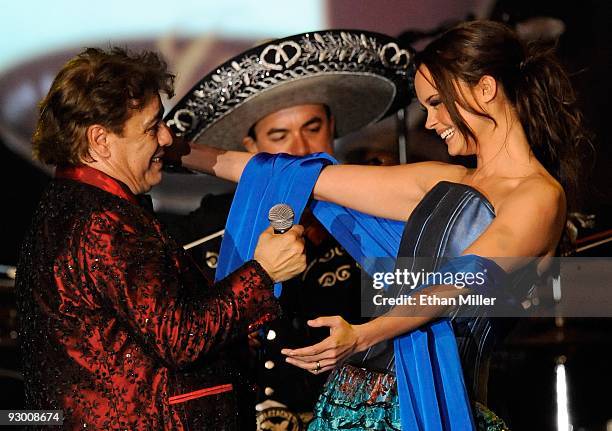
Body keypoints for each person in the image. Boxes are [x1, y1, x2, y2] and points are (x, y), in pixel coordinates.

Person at [178, 20, 590, 429]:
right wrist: (175, 149)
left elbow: (461, 284)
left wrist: (363, 334)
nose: (429, 122)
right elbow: (290, 174)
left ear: (484, 88)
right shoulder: (439, 181)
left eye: (436, 102)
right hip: (351, 405)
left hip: (432, 410)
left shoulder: (539, 196)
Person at [16, 47, 307, 430]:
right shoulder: (103, 221)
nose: (166, 138)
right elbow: (180, 337)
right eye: (152, 127)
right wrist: (263, 272)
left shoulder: (68, 205)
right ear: (101, 140)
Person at [161, 29, 414, 423]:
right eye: (279, 136)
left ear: (333, 128)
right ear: (250, 148)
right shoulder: (213, 227)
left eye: (312, 128)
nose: (300, 149)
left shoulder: (373, 220)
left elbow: (469, 290)